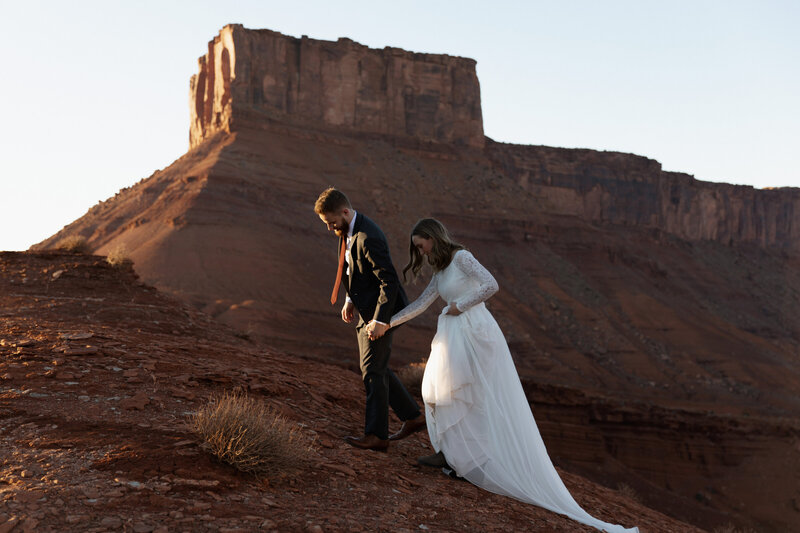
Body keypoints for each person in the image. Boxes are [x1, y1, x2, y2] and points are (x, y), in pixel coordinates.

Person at [367, 218, 638, 533]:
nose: (420, 251)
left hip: (475, 333)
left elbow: (490, 284)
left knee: (463, 392)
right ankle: (453, 457)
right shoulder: (440, 269)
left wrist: (460, 305)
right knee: (439, 390)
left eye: (420, 244)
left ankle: (458, 459)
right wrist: (388, 323)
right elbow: (423, 303)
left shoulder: (461, 258)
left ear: (432, 238)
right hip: (453, 334)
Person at [314, 188, 426, 452]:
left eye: (331, 223)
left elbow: (389, 281)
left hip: (383, 313)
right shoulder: (348, 230)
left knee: (372, 372)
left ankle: (377, 436)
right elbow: (354, 269)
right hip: (367, 309)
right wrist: (350, 300)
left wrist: (380, 320)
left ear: (344, 212)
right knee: (377, 367)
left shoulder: (368, 236)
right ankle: (413, 417)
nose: (330, 229)